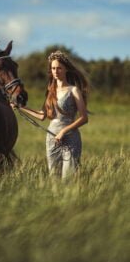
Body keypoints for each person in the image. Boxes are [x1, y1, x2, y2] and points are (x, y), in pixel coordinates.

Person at [12, 50, 89, 178]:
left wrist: (63, 131)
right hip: (52, 139)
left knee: (68, 179)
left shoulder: (73, 90)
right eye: (53, 68)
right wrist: (21, 107)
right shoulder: (50, 91)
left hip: (70, 139)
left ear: (66, 69)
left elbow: (84, 118)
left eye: (59, 68)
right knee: (54, 179)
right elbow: (42, 116)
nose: (55, 71)